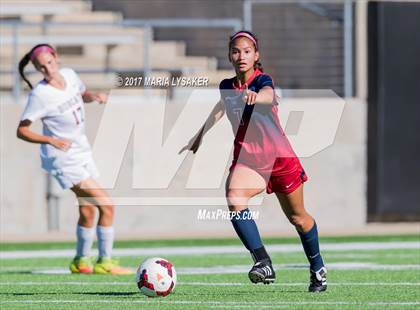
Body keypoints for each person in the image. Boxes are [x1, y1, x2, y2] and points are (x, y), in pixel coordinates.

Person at [181, 31, 327, 292]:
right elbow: (222, 106)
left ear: (256, 55)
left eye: (247, 51)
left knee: (298, 218)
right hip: (249, 160)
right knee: (234, 196)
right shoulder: (227, 86)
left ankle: (317, 268)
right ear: (229, 55)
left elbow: (269, 95)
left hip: (280, 160)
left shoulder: (263, 81)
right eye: (236, 51)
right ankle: (263, 261)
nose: (241, 56)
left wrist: (256, 97)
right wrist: (200, 134)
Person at [17, 44, 132, 275]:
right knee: (107, 204)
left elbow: (80, 95)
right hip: (63, 158)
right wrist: (50, 140)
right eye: (41, 67)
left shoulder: (69, 75)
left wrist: (94, 96)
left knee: (88, 209)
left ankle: (80, 261)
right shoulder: (40, 94)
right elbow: (22, 130)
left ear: (56, 58)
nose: (47, 70)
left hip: (81, 150)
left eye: (49, 63)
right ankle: (105, 262)